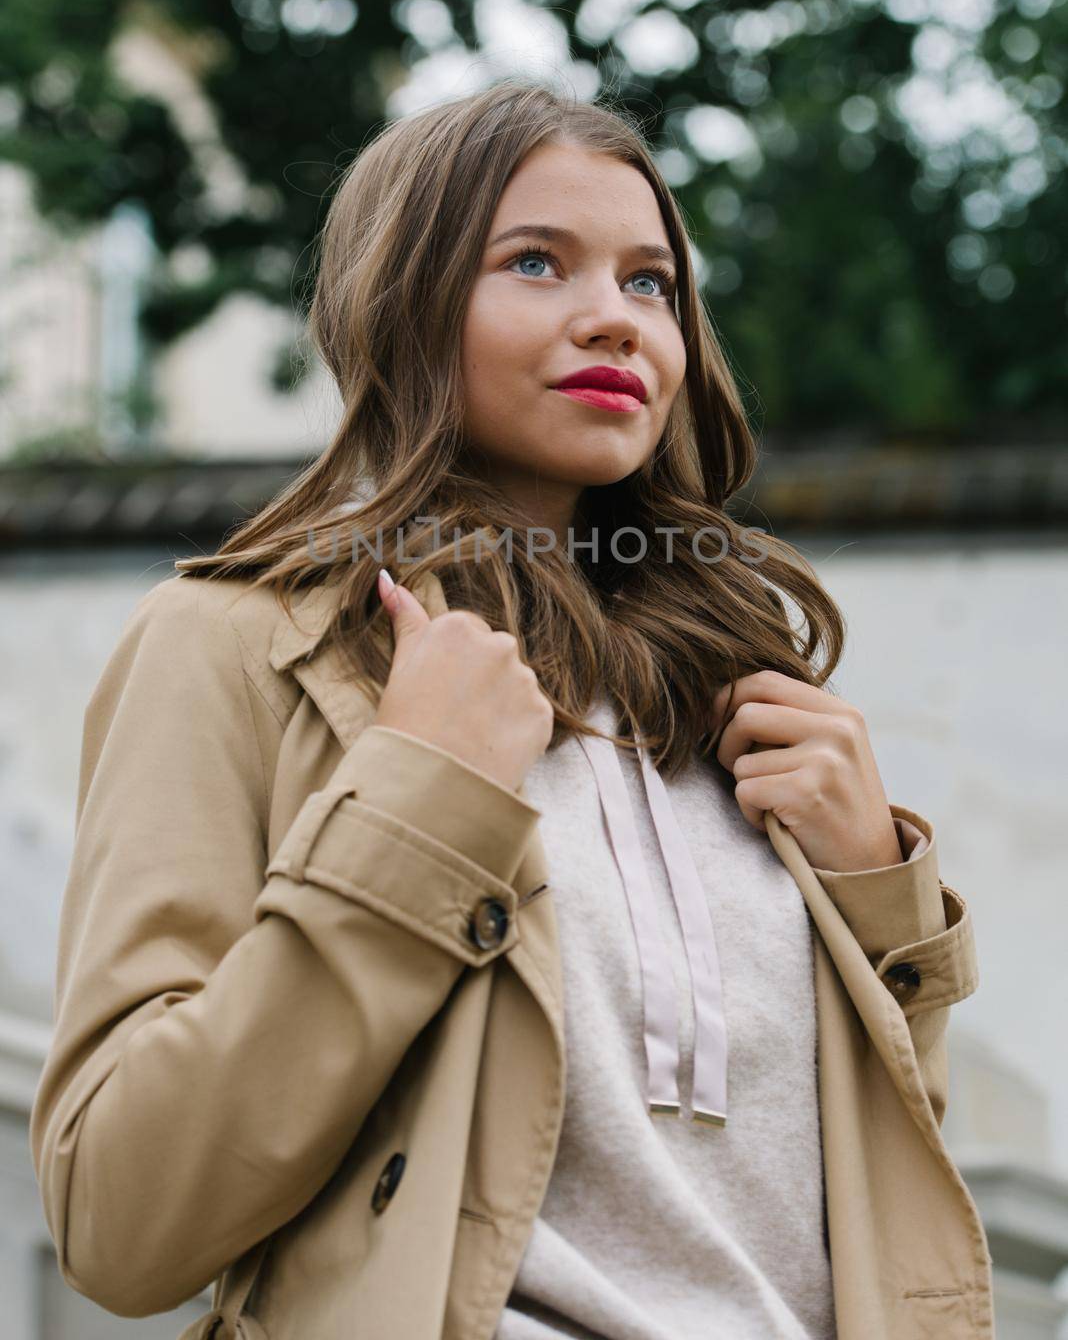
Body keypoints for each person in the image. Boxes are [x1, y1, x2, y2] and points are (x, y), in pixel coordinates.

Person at [30, 78, 994, 1340]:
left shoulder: (739, 702)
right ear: (405, 300)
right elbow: (118, 1212)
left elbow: (861, 1196)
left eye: (651, 282)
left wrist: (878, 898)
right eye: (537, 262)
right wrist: (419, 803)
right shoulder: (244, 647)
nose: (615, 319)